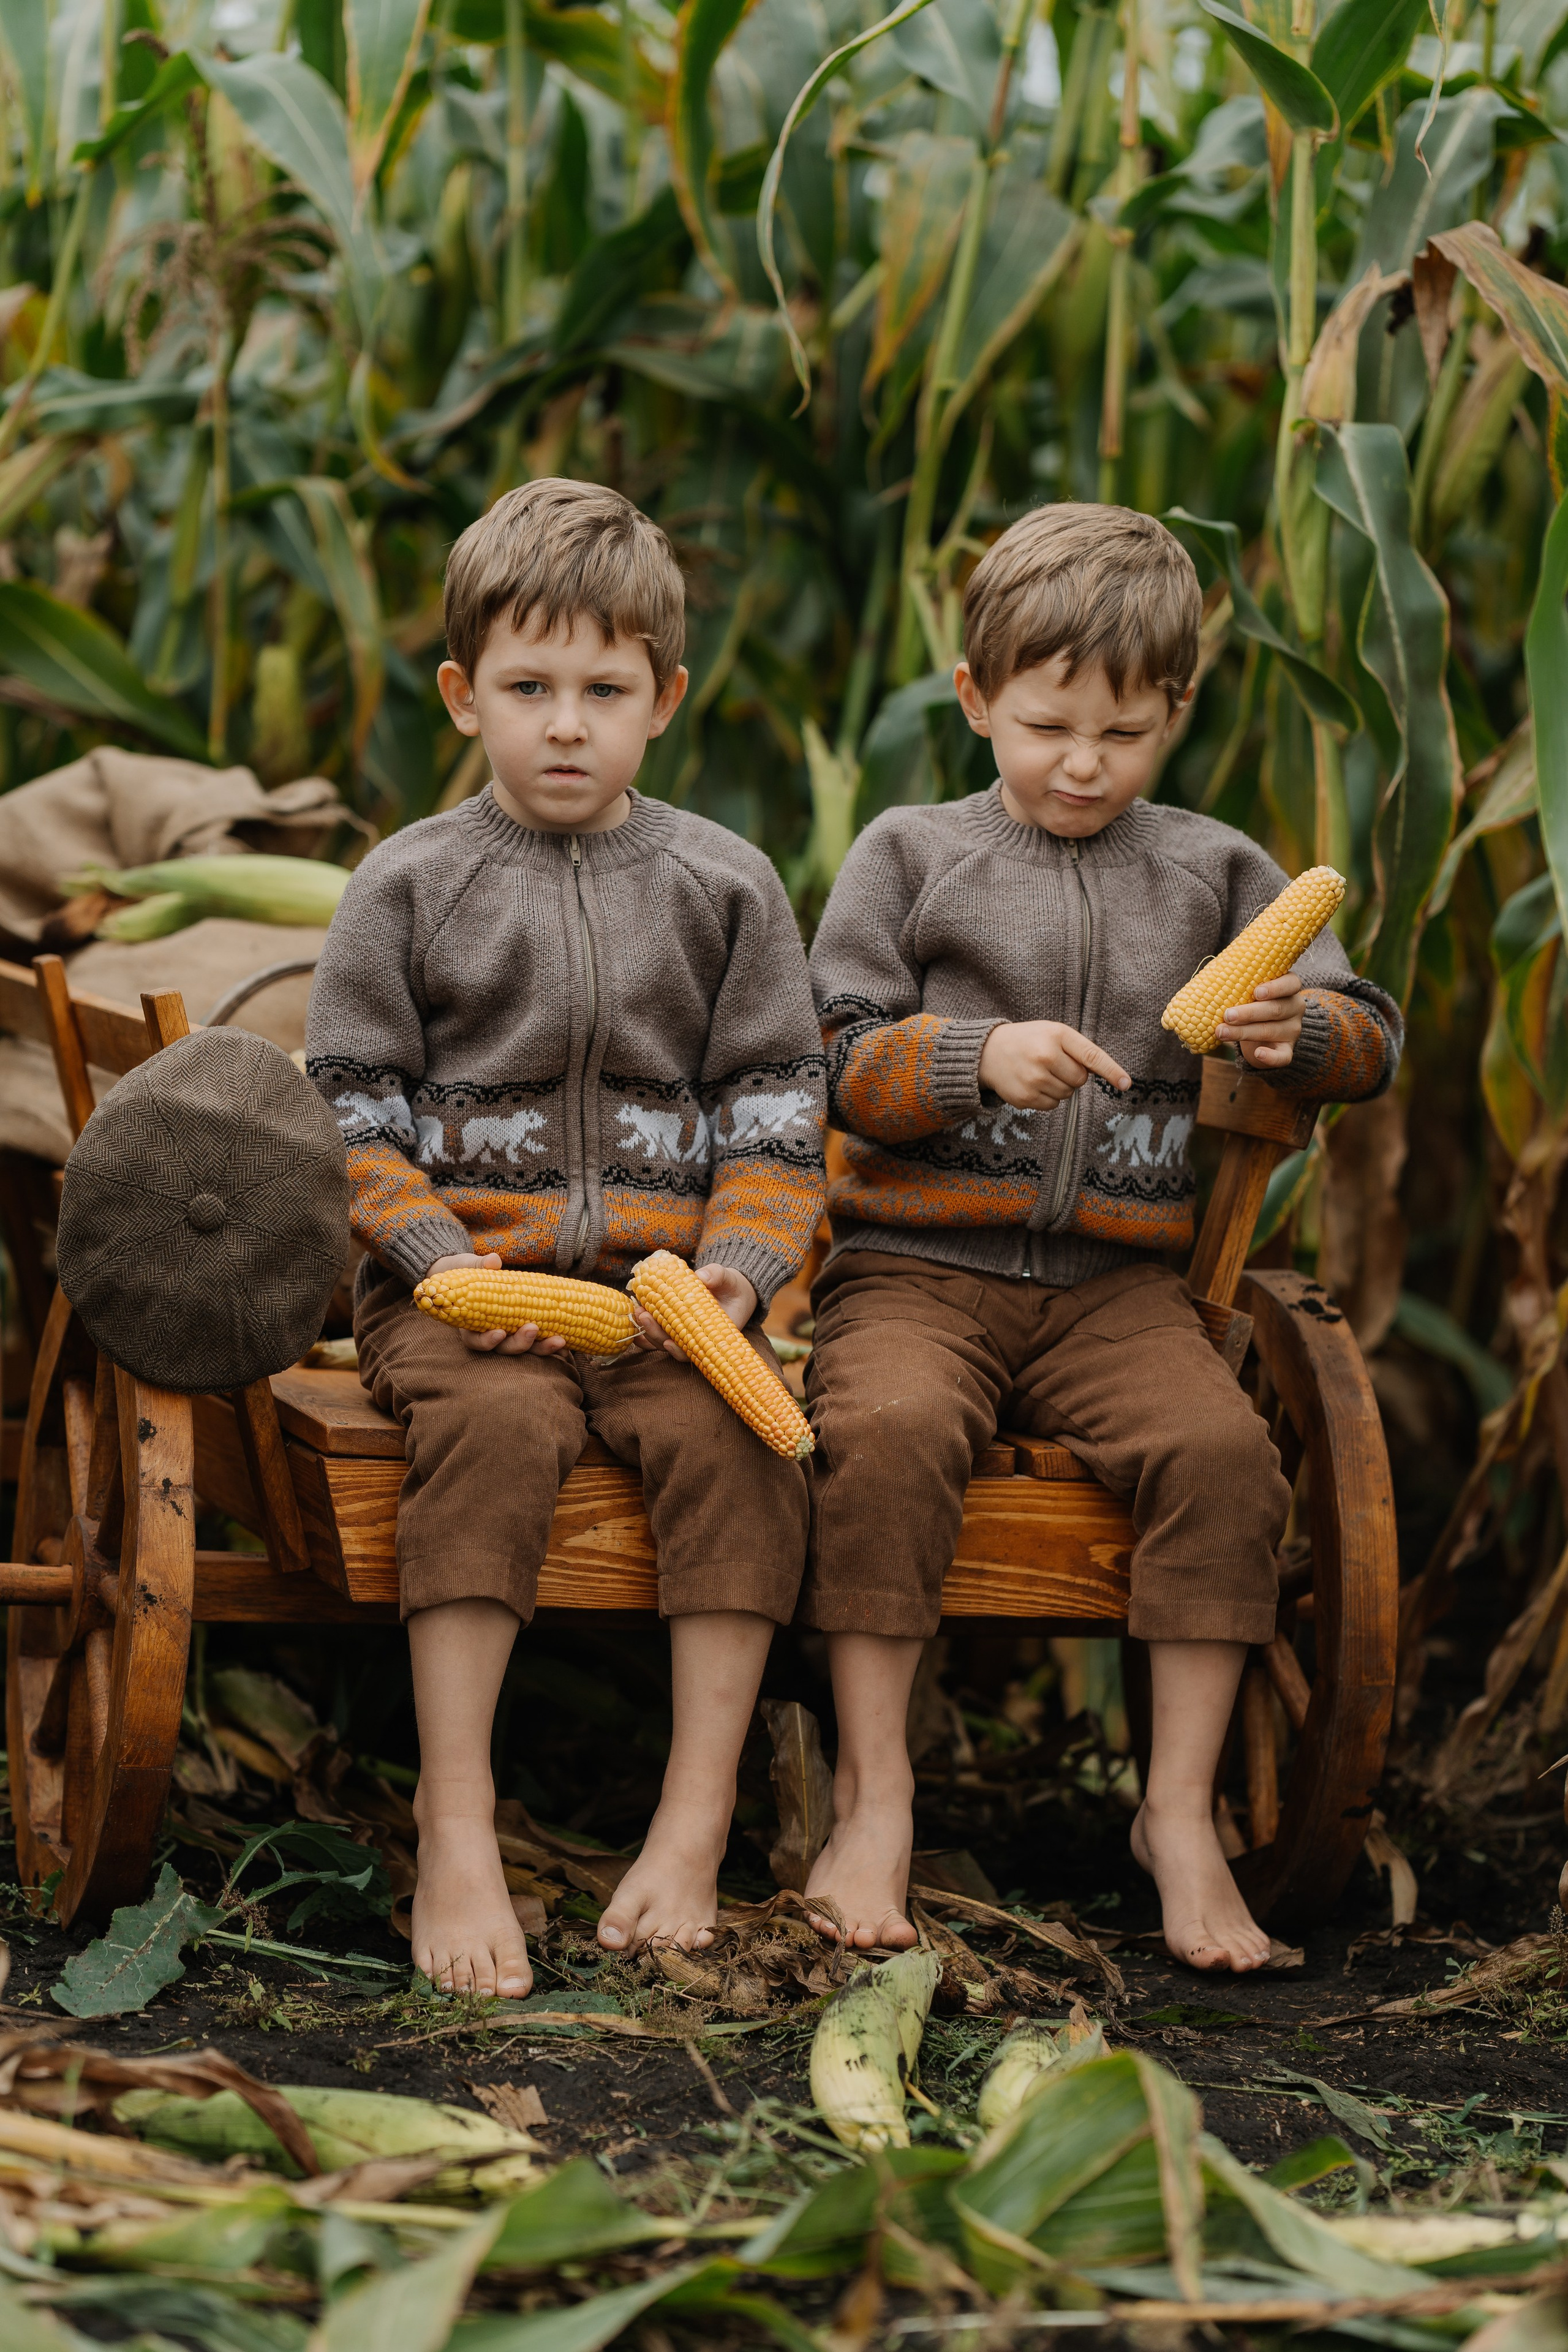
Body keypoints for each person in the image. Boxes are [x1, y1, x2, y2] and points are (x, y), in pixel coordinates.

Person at [801, 503, 1401, 1971]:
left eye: (1123, 735)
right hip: (915, 1269)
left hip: (1117, 1288)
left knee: (1218, 1461)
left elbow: (1369, 1037)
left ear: (1174, 715)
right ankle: (875, 1794)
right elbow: (828, 1053)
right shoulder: (910, 855)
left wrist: (1298, 1028)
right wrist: (968, 1061)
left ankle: (1177, 1815)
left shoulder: (1212, 874)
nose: (1081, 763)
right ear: (973, 700)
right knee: (875, 1436)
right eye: (1046, 724)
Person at [306, 479, 826, 1999]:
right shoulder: (408, 883)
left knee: (746, 1446)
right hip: (457, 1292)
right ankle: (455, 1815)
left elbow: (777, 1103)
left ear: (664, 699)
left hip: (671, 1297)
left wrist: (739, 1266)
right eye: (528, 689)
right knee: (491, 1432)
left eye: (604, 691)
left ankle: (695, 1811)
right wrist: (442, 1272)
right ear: (465, 696)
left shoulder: (723, 885)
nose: (564, 725)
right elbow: (351, 1111)